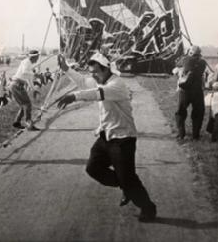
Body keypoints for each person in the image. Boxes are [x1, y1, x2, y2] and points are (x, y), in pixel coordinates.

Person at [57, 52, 157, 222]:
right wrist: (66, 69)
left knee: (129, 178)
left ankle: (148, 208)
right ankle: (124, 185)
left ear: (106, 69)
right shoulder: (100, 79)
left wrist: (73, 96)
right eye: (92, 72)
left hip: (123, 139)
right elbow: (83, 82)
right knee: (93, 168)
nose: (93, 76)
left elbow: (97, 93)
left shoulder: (117, 85)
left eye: (96, 72)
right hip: (106, 136)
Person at [175, 45, 207, 140]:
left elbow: (177, 64)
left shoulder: (185, 59)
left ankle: (181, 134)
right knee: (198, 113)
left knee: (180, 112)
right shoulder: (202, 62)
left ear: (190, 52)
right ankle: (195, 135)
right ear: (199, 54)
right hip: (197, 91)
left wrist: (187, 54)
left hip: (185, 91)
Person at [10, 50, 41, 131]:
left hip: (16, 85)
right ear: (33, 57)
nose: (37, 59)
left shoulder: (29, 64)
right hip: (17, 85)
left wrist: (34, 89)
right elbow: (24, 72)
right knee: (27, 104)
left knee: (24, 105)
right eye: (37, 57)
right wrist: (35, 74)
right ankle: (29, 124)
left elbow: (28, 79)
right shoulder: (26, 62)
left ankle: (17, 122)